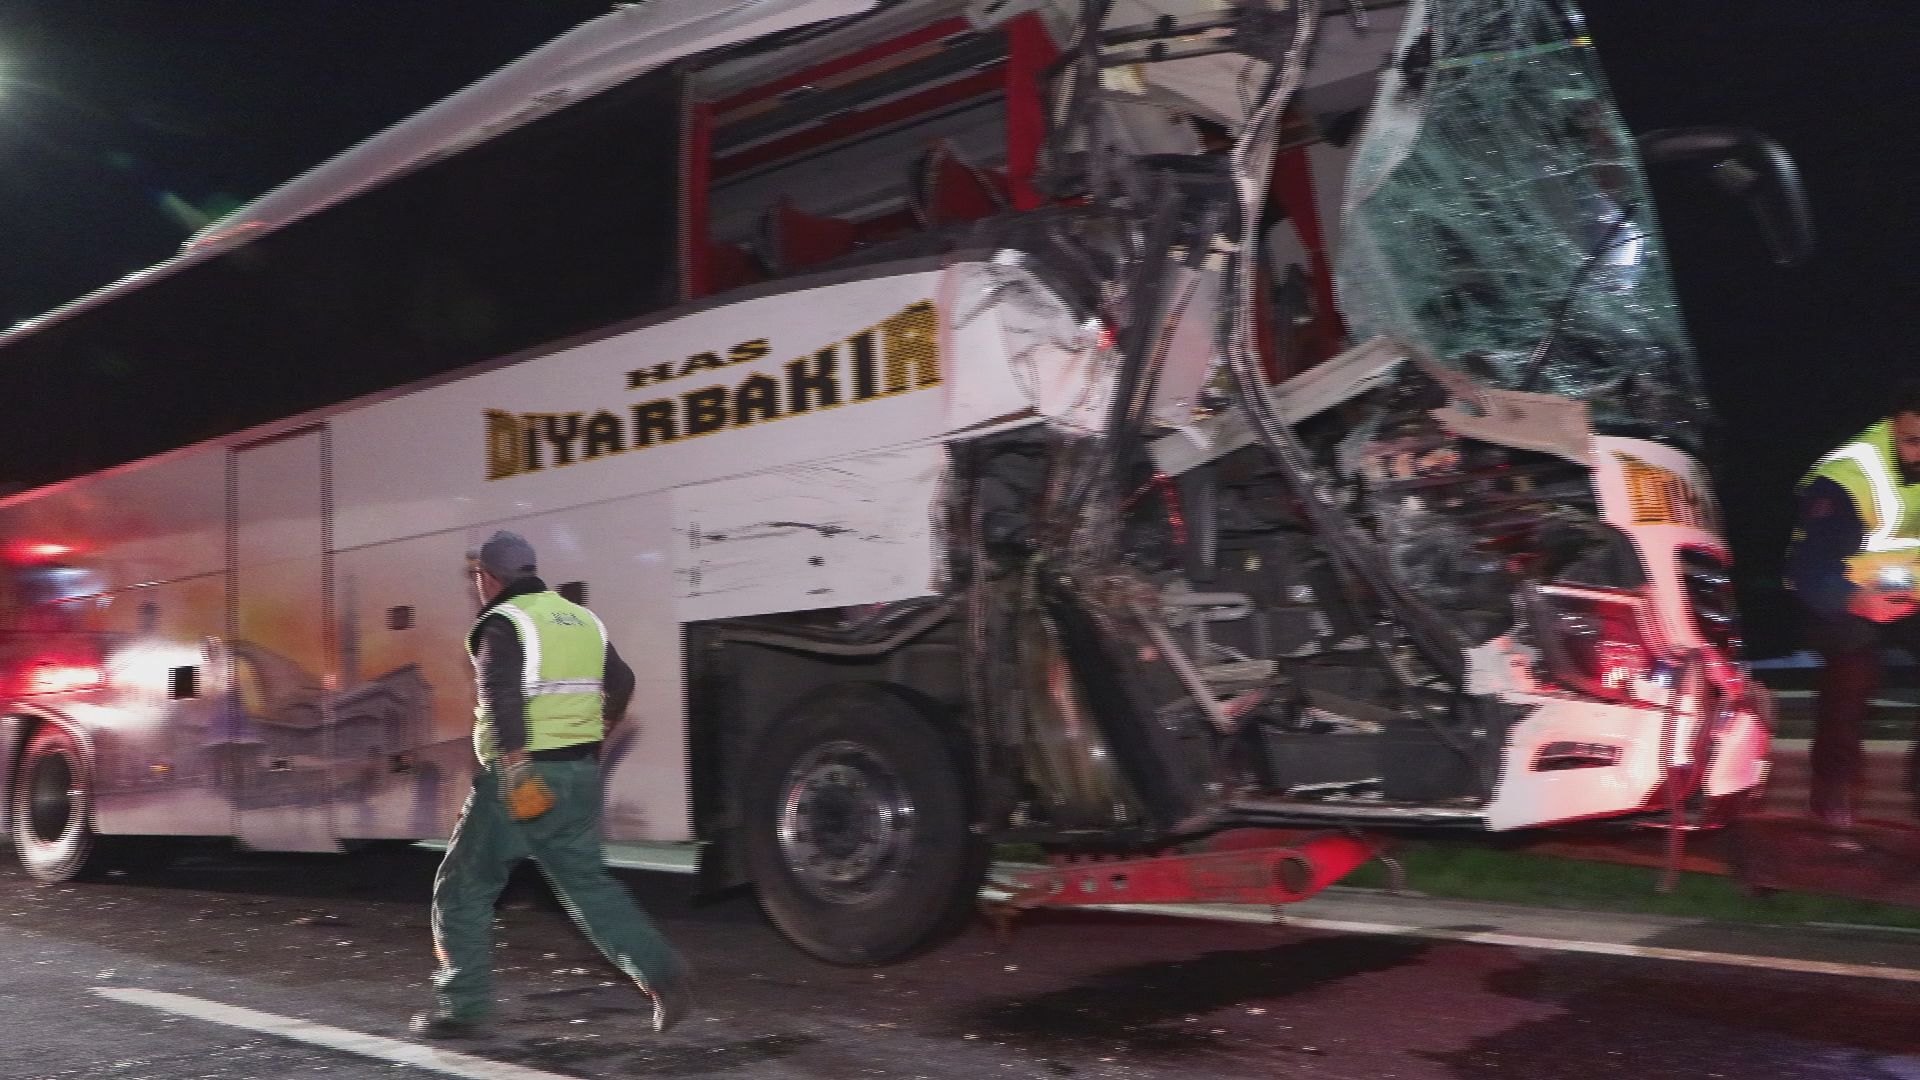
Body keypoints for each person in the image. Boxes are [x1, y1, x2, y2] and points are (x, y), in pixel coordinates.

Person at [411, 530, 689, 1038]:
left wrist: (514, 770)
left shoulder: (502, 622)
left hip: (521, 778)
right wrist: (597, 735)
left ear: (488, 578)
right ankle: (663, 976)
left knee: (463, 890)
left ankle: (465, 1007)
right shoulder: (580, 617)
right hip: (579, 775)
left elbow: (501, 698)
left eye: (477, 578)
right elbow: (622, 682)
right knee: (588, 885)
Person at [1785, 382, 1920, 831]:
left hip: (1912, 590)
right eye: (1912, 441)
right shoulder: (1847, 476)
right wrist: (1854, 599)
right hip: (1841, 591)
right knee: (1853, 669)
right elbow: (1809, 568)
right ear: (1892, 427)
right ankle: (1833, 788)